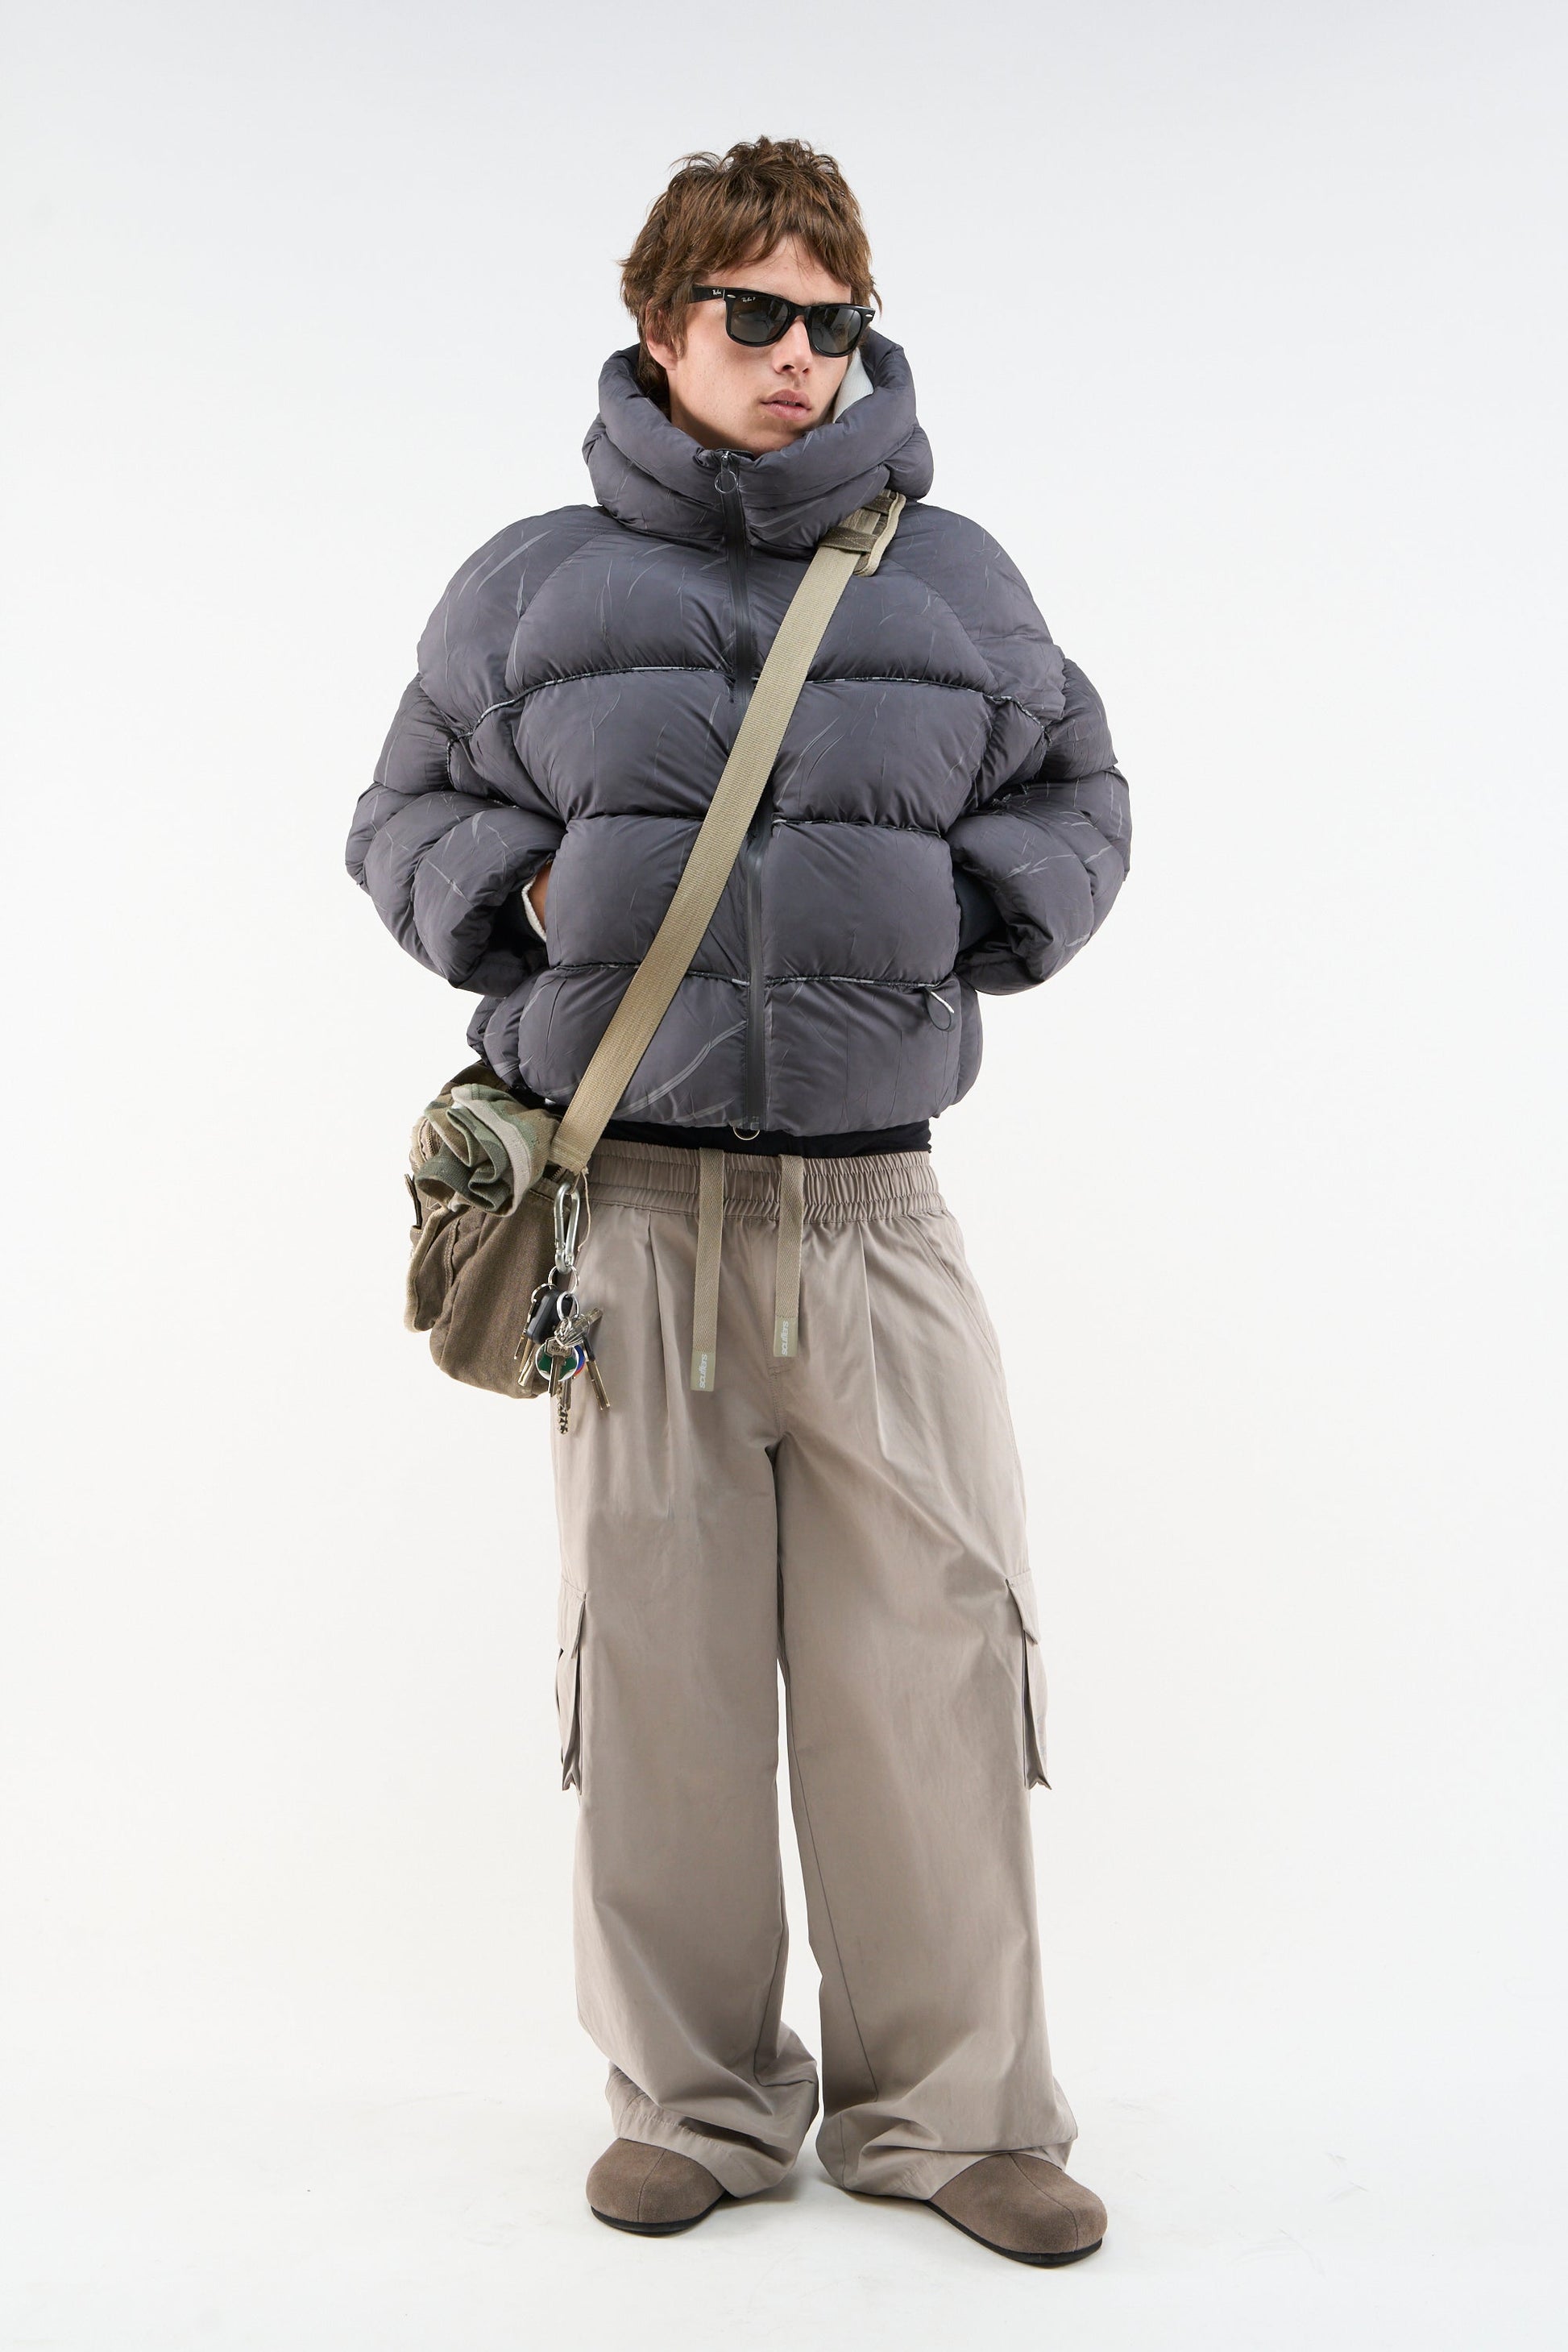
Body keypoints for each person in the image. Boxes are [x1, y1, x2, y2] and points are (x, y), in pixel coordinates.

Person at [346, 136, 1130, 2267]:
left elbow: (1079, 793)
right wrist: (520, 892)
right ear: (659, 323)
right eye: (755, 314)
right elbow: (399, 809)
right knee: (661, 1683)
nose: (800, 355)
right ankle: (693, 2102)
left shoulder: (951, 582)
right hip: (635, 1217)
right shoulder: (530, 588)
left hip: (875, 1221)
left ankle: (954, 2117)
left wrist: (957, 913)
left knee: (935, 1659)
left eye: (832, 320)